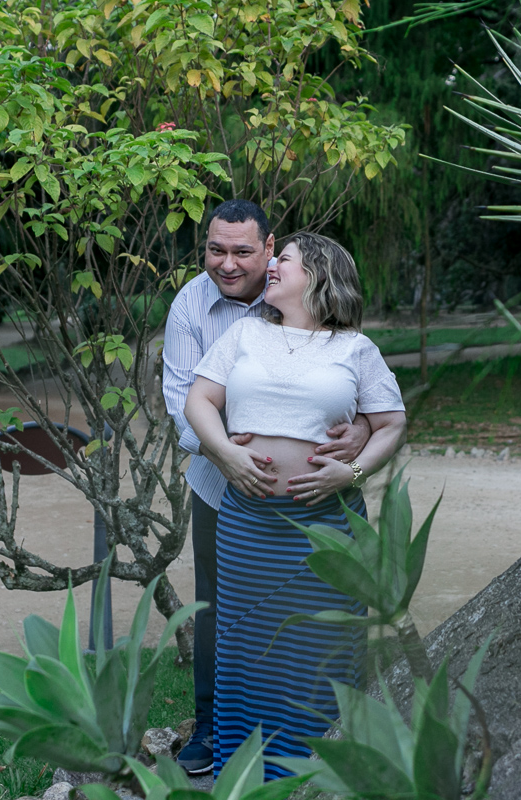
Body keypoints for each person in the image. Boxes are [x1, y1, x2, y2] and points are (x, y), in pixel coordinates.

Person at [183, 231, 406, 778]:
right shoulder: (244, 335)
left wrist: (350, 471)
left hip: (324, 528)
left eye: (285, 260)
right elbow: (198, 401)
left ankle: (325, 772)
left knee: (321, 649)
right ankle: (245, 775)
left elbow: (390, 423)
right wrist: (225, 458)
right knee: (247, 649)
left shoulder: (355, 349)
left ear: (321, 276)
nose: (273, 267)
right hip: (247, 528)